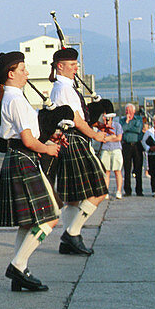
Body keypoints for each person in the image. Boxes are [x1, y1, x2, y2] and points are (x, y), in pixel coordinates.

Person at [0, 52, 60, 291]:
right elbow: (29, 140)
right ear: (11, 73)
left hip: (18, 158)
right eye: (22, 69)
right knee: (50, 218)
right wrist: (48, 148)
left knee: (27, 222)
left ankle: (20, 270)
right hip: (24, 157)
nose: (27, 73)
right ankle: (17, 265)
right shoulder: (16, 100)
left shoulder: (11, 97)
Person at [48, 48, 109, 255]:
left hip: (70, 141)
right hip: (76, 140)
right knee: (101, 187)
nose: (76, 68)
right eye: (72, 65)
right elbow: (76, 119)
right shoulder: (64, 88)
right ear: (60, 66)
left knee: (74, 196)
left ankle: (68, 240)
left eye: (76, 64)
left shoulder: (62, 87)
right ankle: (72, 233)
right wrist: (95, 134)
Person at [97, 109, 123, 198]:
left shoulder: (117, 125)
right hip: (105, 150)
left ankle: (119, 191)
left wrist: (108, 139)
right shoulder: (101, 127)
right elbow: (100, 138)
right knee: (106, 171)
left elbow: (119, 138)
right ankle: (106, 191)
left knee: (117, 171)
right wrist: (112, 137)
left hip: (115, 149)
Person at [119, 103, 143, 196]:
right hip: (126, 145)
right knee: (127, 169)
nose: (127, 112)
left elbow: (138, 129)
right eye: (126, 110)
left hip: (136, 145)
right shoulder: (122, 120)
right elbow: (121, 130)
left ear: (133, 111)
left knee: (138, 168)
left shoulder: (139, 119)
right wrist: (128, 122)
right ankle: (127, 190)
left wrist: (127, 128)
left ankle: (139, 190)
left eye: (129, 110)